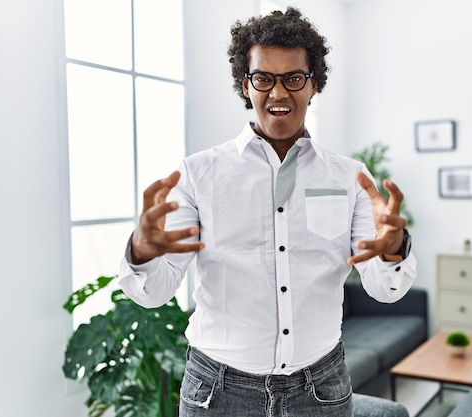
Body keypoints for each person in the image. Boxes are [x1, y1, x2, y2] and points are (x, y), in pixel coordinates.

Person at [119, 7, 416, 417]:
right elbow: (152, 294)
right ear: (246, 84)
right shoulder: (197, 174)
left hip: (321, 389)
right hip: (217, 392)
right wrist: (141, 249)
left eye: (294, 78)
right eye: (264, 79)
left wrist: (394, 247)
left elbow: (388, 289)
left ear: (314, 85)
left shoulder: (352, 178)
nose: (278, 93)